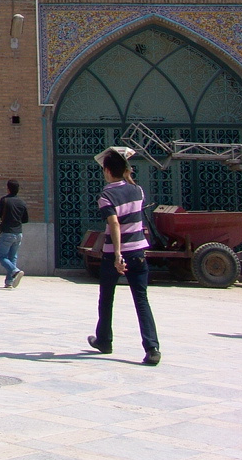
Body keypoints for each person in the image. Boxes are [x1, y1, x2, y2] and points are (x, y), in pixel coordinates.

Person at [87, 147, 160, 365]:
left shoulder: (106, 195)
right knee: (141, 299)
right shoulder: (137, 191)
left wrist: (118, 254)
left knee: (106, 296)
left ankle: (104, 340)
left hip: (114, 253)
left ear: (108, 171)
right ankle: (152, 348)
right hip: (138, 251)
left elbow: (114, 224)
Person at [0, 178, 29, 288]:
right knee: (12, 257)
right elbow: (25, 219)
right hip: (18, 233)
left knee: (2, 257)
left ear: (8, 189)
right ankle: (9, 282)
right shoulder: (22, 202)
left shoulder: (4, 200)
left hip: (7, 232)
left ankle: (15, 271)